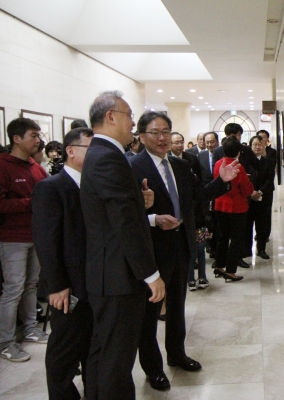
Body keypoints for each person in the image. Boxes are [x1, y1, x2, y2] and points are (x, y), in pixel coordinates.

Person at [130, 111, 239, 391]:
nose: (163, 137)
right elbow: (124, 217)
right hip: (151, 250)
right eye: (156, 132)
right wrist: (151, 218)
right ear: (141, 136)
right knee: (150, 314)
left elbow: (197, 195)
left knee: (177, 307)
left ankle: (177, 354)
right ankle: (153, 369)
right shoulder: (132, 168)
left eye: (166, 131)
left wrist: (222, 181)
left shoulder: (179, 165)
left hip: (182, 245)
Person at [80, 90, 165, 400]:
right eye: (129, 114)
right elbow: (124, 223)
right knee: (116, 359)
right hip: (117, 276)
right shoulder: (107, 157)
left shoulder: (104, 154)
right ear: (111, 117)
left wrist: (139, 202)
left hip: (109, 274)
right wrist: (151, 274)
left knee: (104, 353)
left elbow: (118, 210)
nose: (132, 121)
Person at [32, 127, 95, 400]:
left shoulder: (94, 185)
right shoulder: (51, 187)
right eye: (90, 150)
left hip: (95, 282)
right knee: (64, 352)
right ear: (71, 151)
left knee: (92, 349)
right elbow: (46, 243)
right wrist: (57, 286)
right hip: (68, 287)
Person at [0, 118, 49, 363]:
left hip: (36, 235)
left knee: (31, 285)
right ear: (16, 138)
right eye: (33, 135)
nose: (37, 140)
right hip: (13, 239)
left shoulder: (34, 166)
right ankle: (6, 341)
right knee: (13, 289)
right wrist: (31, 203)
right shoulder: (3, 166)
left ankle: (30, 327)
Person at [213, 137, 254, 282]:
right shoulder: (238, 166)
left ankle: (219, 266)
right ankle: (230, 271)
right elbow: (245, 189)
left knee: (222, 236)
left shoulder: (218, 163)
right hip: (236, 206)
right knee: (236, 239)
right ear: (238, 152)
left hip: (220, 204)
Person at [245, 136, 275, 260]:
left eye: (259, 144)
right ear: (250, 146)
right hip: (248, 197)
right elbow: (243, 179)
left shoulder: (268, 160)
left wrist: (260, 192)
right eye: (254, 144)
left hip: (264, 197)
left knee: (262, 225)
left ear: (264, 146)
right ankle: (247, 250)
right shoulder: (245, 161)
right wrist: (251, 192)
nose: (257, 147)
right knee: (247, 225)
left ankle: (261, 249)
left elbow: (269, 179)